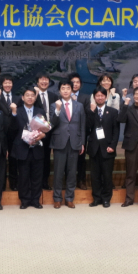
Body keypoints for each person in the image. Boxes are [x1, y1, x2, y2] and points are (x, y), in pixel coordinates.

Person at [49, 79, 86, 209]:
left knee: (72, 172)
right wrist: (58, 110)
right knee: (58, 172)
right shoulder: (54, 105)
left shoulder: (79, 106)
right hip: (60, 142)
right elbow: (51, 124)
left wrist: (82, 143)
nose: (65, 91)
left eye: (68, 88)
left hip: (75, 142)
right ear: (59, 91)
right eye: (63, 88)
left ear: (72, 90)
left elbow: (82, 125)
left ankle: (69, 198)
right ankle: (57, 198)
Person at [9, 87, 46, 209]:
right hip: (22, 148)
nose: (30, 97)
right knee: (23, 176)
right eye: (27, 95)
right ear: (23, 97)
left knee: (37, 176)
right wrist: (13, 114)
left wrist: (43, 135)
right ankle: (24, 200)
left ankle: (35, 200)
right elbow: (12, 129)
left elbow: (45, 128)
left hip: (37, 148)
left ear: (35, 98)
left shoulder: (40, 111)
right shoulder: (17, 111)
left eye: (32, 95)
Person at [86, 86, 120, 208]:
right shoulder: (90, 110)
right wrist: (91, 112)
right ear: (94, 97)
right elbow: (87, 127)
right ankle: (96, 198)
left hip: (107, 148)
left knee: (107, 176)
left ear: (106, 97)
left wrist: (113, 146)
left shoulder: (113, 111)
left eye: (102, 95)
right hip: (94, 148)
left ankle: (106, 199)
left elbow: (116, 131)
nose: (99, 98)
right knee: (94, 176)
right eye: (97, 96)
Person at [31, 73, 59, 190]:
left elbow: (56, 114)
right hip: (35, 131)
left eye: (46, 79)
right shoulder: (32, 95)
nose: (44, 82)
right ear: (37, 82)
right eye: (41, 79)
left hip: (50, 131)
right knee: (35, 157)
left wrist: (49, 128)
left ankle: (45, 181)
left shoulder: (54, 96)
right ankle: (34, 182)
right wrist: (36, 95)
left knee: (47, 157)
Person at [0, 74, 21, 191]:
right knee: (0, 160)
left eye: (9, 82)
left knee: (13, 159)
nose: (7, 85)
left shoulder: (17, 98)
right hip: (0, 133)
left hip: (14, 133)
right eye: (5, 82)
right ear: (1, 84)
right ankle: (1, 184)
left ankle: (13, 183)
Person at [69, 72, 91, 191]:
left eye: (77, 82)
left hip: (80, 132)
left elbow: (87, 115)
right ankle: (69, 181)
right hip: (67, 133)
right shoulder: (63, 96)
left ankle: (81, 180)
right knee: (68, 158)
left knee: (81, 158)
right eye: (73, 82)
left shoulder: (85, 97)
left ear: (81, 84)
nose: (75, 84)